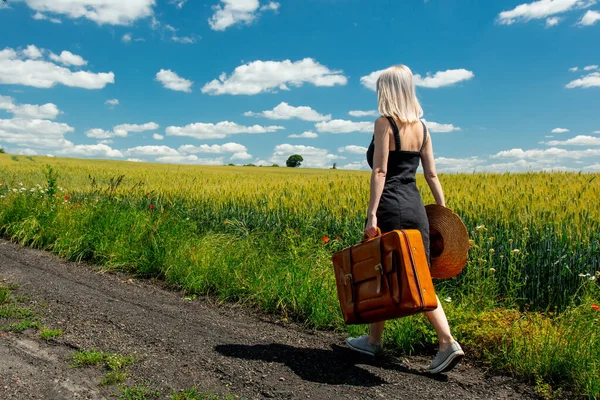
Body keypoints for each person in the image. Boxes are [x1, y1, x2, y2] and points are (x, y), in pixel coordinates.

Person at [345, 64, 464, 374]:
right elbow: (432, 175)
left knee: (389, 270)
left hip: (391, 206)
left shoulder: (384, 124)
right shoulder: (423, 129)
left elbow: (381, 171)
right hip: (416, 209)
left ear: (387, 91)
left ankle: (447, 341)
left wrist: (371, 214)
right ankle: (372, 343)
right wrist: (442, 214)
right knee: (407, 272)